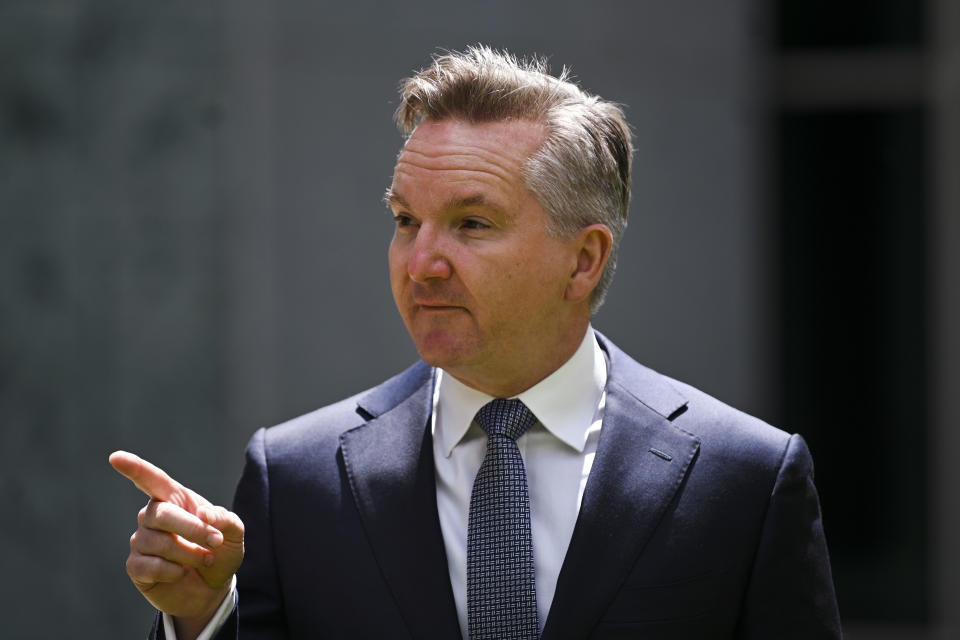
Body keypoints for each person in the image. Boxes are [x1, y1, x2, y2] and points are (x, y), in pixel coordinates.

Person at [111, 46, 842, 639]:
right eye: (405, 221)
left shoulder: (744, 480)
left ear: (583, 259)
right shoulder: (297, 480)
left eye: (471, 224)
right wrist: (203, 616)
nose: (421, 261)